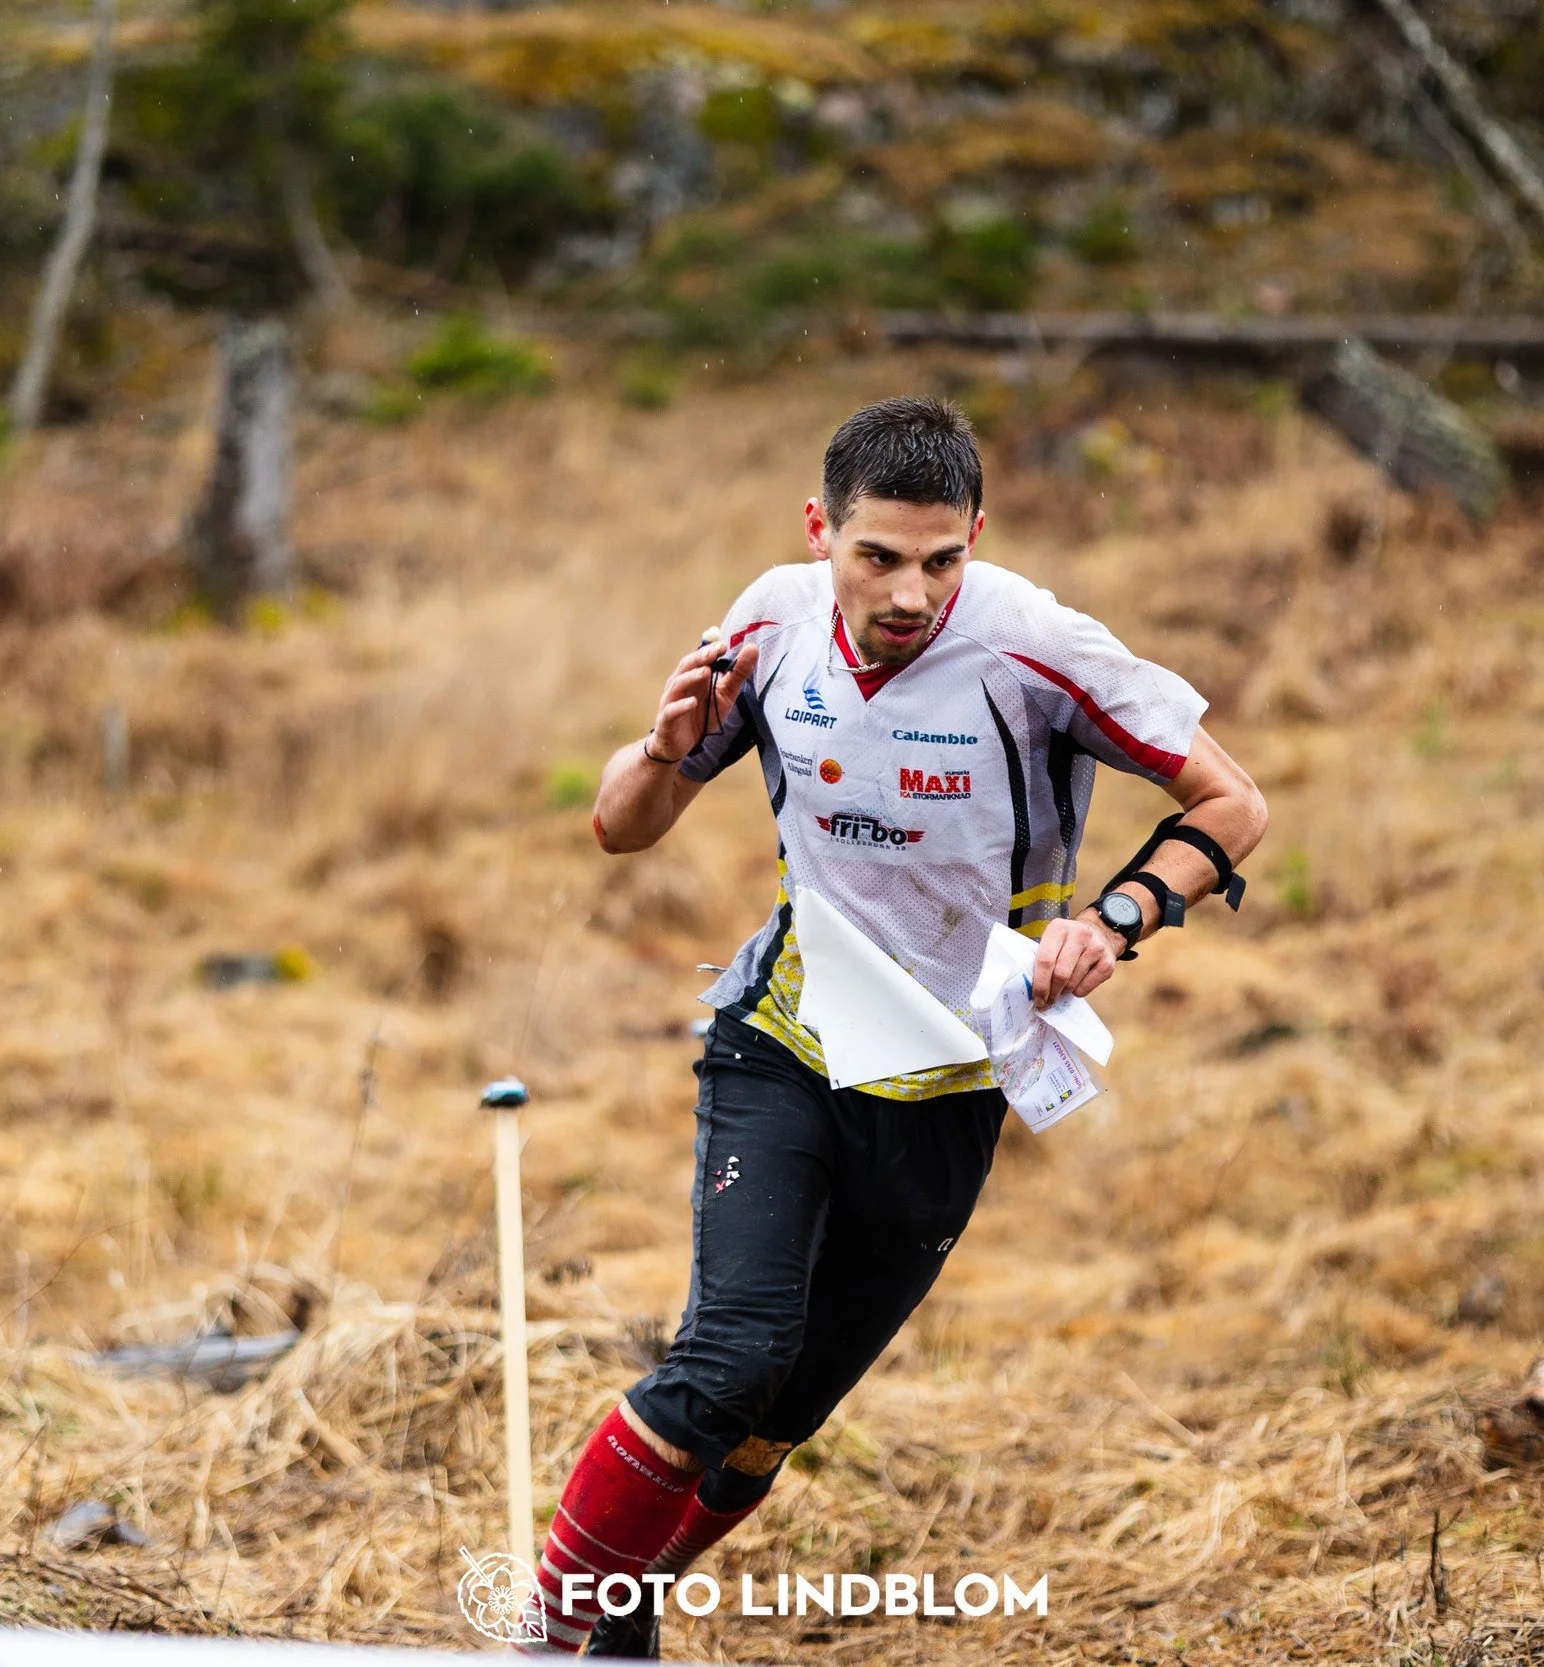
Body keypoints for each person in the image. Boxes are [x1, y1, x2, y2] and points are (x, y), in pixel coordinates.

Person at [522, 397, 1267, 1656]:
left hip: (952, 1075)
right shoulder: (767, 620)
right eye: (877, 556)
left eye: (941, 558)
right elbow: (620, 824)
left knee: (778, 1417)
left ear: (976, 536)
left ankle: (624, 1601)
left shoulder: (1038, 646)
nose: (910, 591)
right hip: (784, 1041)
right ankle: (545, 1630)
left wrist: (1118, 916)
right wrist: (658, 751)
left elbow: (1231, 800)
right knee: (728, 1360)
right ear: (821, 531)